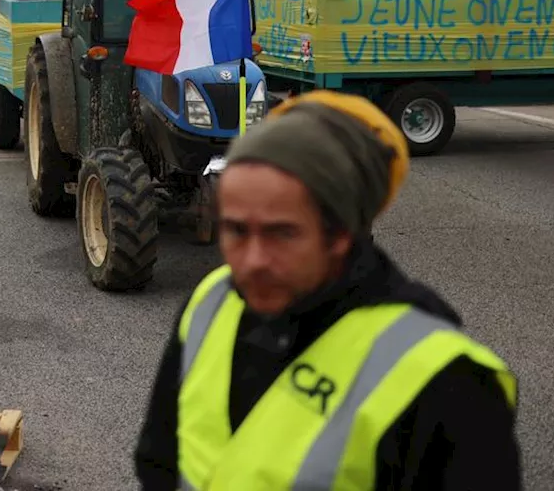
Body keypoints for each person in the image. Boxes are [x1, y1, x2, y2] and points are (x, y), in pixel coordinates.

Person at [134, 90, 520, 491]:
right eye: (235, 230)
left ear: (342, 234)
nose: (251, 261)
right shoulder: (211, 301)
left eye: (281, 233)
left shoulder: (449, 379)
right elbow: (157, 462)